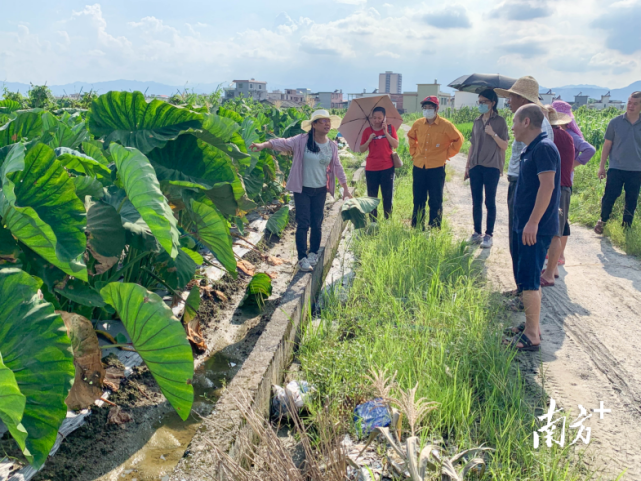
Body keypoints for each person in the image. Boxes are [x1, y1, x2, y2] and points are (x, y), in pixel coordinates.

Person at [250, 110, 352, 272]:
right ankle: (302, 258)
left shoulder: (331, 145)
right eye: (322, 121)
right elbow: (281, 143)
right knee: (303, 223)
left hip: (320, 190)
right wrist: (263, 145)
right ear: (314, 125)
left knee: (317, 223)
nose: (327, 124)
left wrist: (345, 188)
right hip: (302, 189)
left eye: (328, 121)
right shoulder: (301, 141)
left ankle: (313, 254)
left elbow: (337, 167)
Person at [505, 104, 561, 351]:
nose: (513, 126)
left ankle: (531, 336)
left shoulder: (544, 148)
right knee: (526, 276)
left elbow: (547, 187)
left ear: (526, 122)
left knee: (530, 280)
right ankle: (530, 326)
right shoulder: (532, 148)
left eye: (515, 121)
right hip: (526, 225)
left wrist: (533, 222)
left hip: (534, 228)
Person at [495, 76, 555, 303]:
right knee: (515, 238)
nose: (508, 101)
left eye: (511, 96)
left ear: (521, 98)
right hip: (517, 184)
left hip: (526, 186)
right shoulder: (522, 123)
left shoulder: (540, 130)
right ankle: (521, 289)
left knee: (524, 241)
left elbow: (544, 175)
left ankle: (526, 294)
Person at [407, 96, 464, 229]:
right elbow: (411, 137)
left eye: (430, 108)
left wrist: (446, 154)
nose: (427, 110)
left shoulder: (446, 125)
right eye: (425, 108)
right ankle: (417, 227)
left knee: (435, 199)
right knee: (418, 199)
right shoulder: (418, 123)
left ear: (437, 109)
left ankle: (434, 228)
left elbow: (458, 139)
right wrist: (414, 152)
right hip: (419, 165)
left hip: (436, 167)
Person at [551, 100, 596, 265]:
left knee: (561, 218)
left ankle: (560, 255)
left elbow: (590, 150)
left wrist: (571, 165)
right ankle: (556, 253)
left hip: (564, 181)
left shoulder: (570, 134)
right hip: (559, 179)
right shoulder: (559, 132)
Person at [464, 89, 509, 248]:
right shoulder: (477, 121)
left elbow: (504, 145)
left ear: (493, 103)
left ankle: (489, 234)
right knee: (476, 201)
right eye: (480, 101)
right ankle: (477, 232)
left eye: (484, 102)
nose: (481, 104)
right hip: (476, 166)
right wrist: (467, 165)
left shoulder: (500, 121)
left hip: (492, 166)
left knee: (490, 201)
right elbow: (472, 145)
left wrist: (493, 134)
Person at [594, 92, 641, 234]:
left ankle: (626, 228)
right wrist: (602, 166)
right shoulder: (615, 122)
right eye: (629, 102)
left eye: (635, 103)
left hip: (636, 169)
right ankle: (603, 220)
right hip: (616, 167)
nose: (631, 106)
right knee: (610, 195)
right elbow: (607, 145)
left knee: (631, 200)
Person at [540, 108, 574, 286]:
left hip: (558, 186)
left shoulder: (551, 136)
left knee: (554, 231)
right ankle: (551, 269)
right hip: (565, 185)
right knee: (559, 228)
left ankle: (550, 272)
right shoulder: (565, 135)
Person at [359, 106, 399, 220]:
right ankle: (373, 221)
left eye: (379, 118)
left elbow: (395, 145)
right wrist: (369, 140)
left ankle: (388, 219)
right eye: (374, 118)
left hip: (387, 167)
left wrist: (386, 133)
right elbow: (362, 149)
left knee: (387, 195)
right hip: (371, 169)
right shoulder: (367, 131)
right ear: (371, 118)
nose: (376, 120)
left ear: (384, 118)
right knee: (372, 196)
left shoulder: (390, 129)